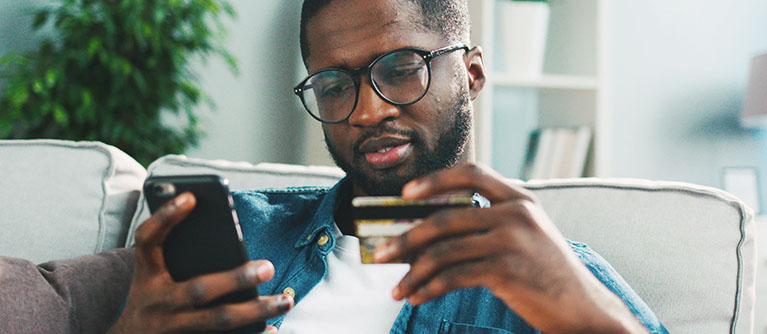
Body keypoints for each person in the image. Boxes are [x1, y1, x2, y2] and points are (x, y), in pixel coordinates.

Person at [3, 0, 668, 333]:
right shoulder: (242, 233)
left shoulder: (554, 274)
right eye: (334, 85)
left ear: (470, 74)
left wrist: (583, 313)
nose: (367, 110)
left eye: (401, 69)